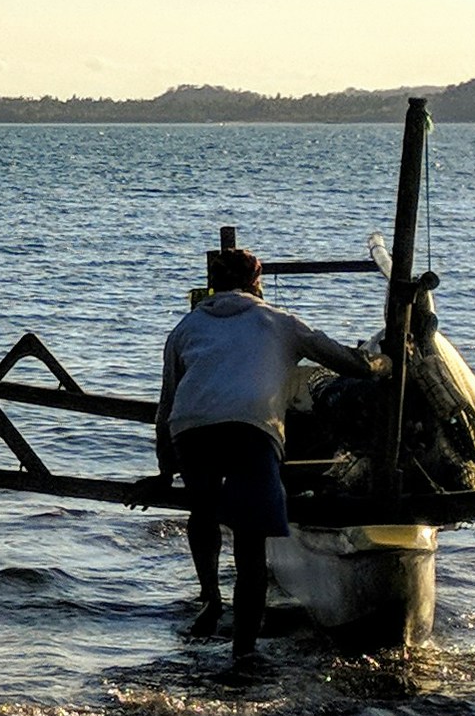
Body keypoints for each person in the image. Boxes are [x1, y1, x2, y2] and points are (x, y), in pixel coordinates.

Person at [157, 242, 374, 654]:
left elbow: (167, 404)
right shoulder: (279, 321)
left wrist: (165, 469)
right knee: (250, 544)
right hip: (252, 428)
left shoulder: (185, 328)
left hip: (191, 429)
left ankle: (209, 598)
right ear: (257, 284)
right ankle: (243, 649)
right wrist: (379, 365)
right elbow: (344, 360)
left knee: (202, 512)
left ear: (213, 286)